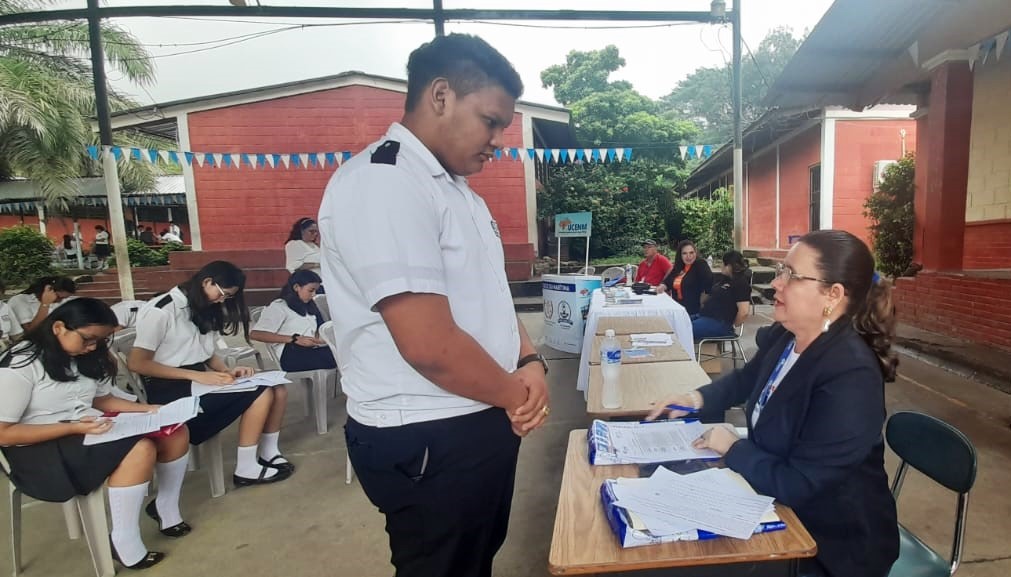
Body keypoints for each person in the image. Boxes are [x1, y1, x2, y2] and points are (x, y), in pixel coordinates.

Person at [318, 33, 549, 577]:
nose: (497, 139)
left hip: (477, 413)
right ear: (440, 94)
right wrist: (517, 394)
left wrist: (529, 359)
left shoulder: (456, 190)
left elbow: (490, 294)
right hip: (427, 431)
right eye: (490, 120)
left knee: (473, 558)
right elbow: (429, 346)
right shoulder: (385, 182)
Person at [648, 230, 900, 577]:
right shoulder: (788, 336)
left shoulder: (850, 374)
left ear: (833, 294)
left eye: (791, 276)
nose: (776, 285)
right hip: (775, 504)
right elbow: (746, 379)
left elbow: (798, 483)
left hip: (828, 543)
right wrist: (695, 398)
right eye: (781, 271)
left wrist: (733, 447)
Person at [0, 298, 192, 569]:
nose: (92, 347)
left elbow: (101, 400)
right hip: (36, 452)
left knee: (175, 431)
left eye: (99, 341)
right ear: (58, 328)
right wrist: (73, 428)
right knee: (140, 449)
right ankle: (123, 539)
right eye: (88, 339)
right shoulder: (21, 363)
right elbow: (4, 434)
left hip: (84, 430)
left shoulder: (85, 357)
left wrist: (152, 410)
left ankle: (166, 508)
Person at [127, 261, 294, 486]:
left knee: (277, 388)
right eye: (223, 294)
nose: (222, 300)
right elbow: (138, 363)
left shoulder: (202, 306)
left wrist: (226, 370)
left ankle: (268, 452)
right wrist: (196, 376)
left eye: (228, 297)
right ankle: (246, 468)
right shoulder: (162, 309)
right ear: (207, 282)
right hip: (169, 389)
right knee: (260, 393)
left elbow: (205, 352)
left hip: (197, 380)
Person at [249, 270, 336, 372]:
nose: (314, 295)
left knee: (343, 352)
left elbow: (318, 331)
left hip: (310, 350)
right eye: (310, 290)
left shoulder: (310, 306)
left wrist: (318, 341)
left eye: (316, 291)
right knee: (337, 357)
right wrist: (294, 339)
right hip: (290, 354)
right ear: (296, 287)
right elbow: (256, 334)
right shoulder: (279, 306)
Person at [692, 250, 752, 339]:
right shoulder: (725, 279)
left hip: (720, 322)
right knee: (677, 322)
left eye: (724, 264)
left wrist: (731, 325)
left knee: (684, 329)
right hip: (705, 316)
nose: (722, 266)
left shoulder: (741, 283)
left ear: (730, 266)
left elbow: (744, 312)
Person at [658, 239, 712, 315]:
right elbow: (667, 281)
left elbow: (709, 284)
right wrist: (663, 286)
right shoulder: (678, 267)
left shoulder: (701, 264)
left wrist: (703, 304)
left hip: (694, 311)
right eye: (684, 253)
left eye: (691, 253)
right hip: (677, 308)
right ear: (680, 255)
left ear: (695, 253)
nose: (688, 256)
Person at [8, 276, 77, 333]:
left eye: (64, 298)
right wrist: (45, 304)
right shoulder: (19, 301)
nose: (60, 301)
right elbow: (31, 331)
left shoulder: (63, 301)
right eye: (58, 297)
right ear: (47, 290)